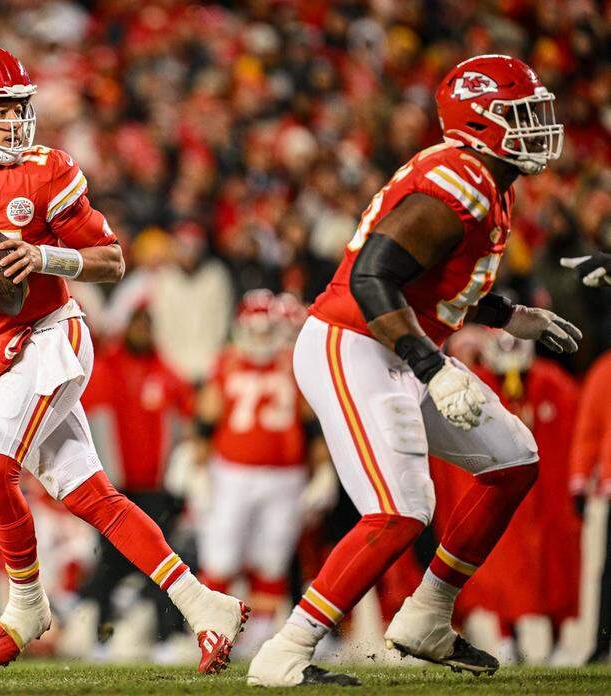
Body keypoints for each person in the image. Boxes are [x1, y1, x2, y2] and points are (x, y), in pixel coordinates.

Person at [0, 46, 247, 673]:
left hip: (53, 334)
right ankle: (204, 605)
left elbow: (112, 259)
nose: (13, 123)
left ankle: (26, 603)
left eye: (19, 109)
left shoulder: (46, 171)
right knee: (94, 496)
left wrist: (48, 257)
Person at [248, 55, 580, 686]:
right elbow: (374, 278)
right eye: (519, 115)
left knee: (513, 460)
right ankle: (284, 654)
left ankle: (427, 616)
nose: (536, 126)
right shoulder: (458, 178)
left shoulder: (487, 179)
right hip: (354, 342)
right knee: (399, 509)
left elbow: (435, 282)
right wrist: (433, 368)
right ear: (478, 124)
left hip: (397, 345)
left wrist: (507, 317)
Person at [193, 290, 331, 659]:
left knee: (270, 559)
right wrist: (196, 468)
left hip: (286, 477)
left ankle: (257, 642)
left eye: (264, 330)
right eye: (251, 330)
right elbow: (207, 419)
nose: (257, 338)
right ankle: (211, 634)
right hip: (232, 472)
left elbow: (311, 425)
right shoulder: (226, 363)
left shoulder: (293, 364)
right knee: (221, 556)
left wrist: (324, 472)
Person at [431, 331, 580, 662]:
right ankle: (504, 637)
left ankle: (558, 639)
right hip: (502, 489)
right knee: (500, 564)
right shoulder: (475, 385)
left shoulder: (552, 381)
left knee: (557, 567)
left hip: (548, 495)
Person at [79, 302, 193, 662]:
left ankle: (165, 639)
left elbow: (188, 427)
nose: (142, 331)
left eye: (147, 325)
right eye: (137, 324)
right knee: (110, 565)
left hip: (156, 490)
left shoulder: (166, 374)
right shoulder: (105, 370)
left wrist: (180, 478)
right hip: (114, 489)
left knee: (162, 565)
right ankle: (102, 637)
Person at [571, 350, 611, 662]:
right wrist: (580, 479)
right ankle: (602, 645)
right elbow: (590, 429)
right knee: (608, 572)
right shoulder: (605, 369)